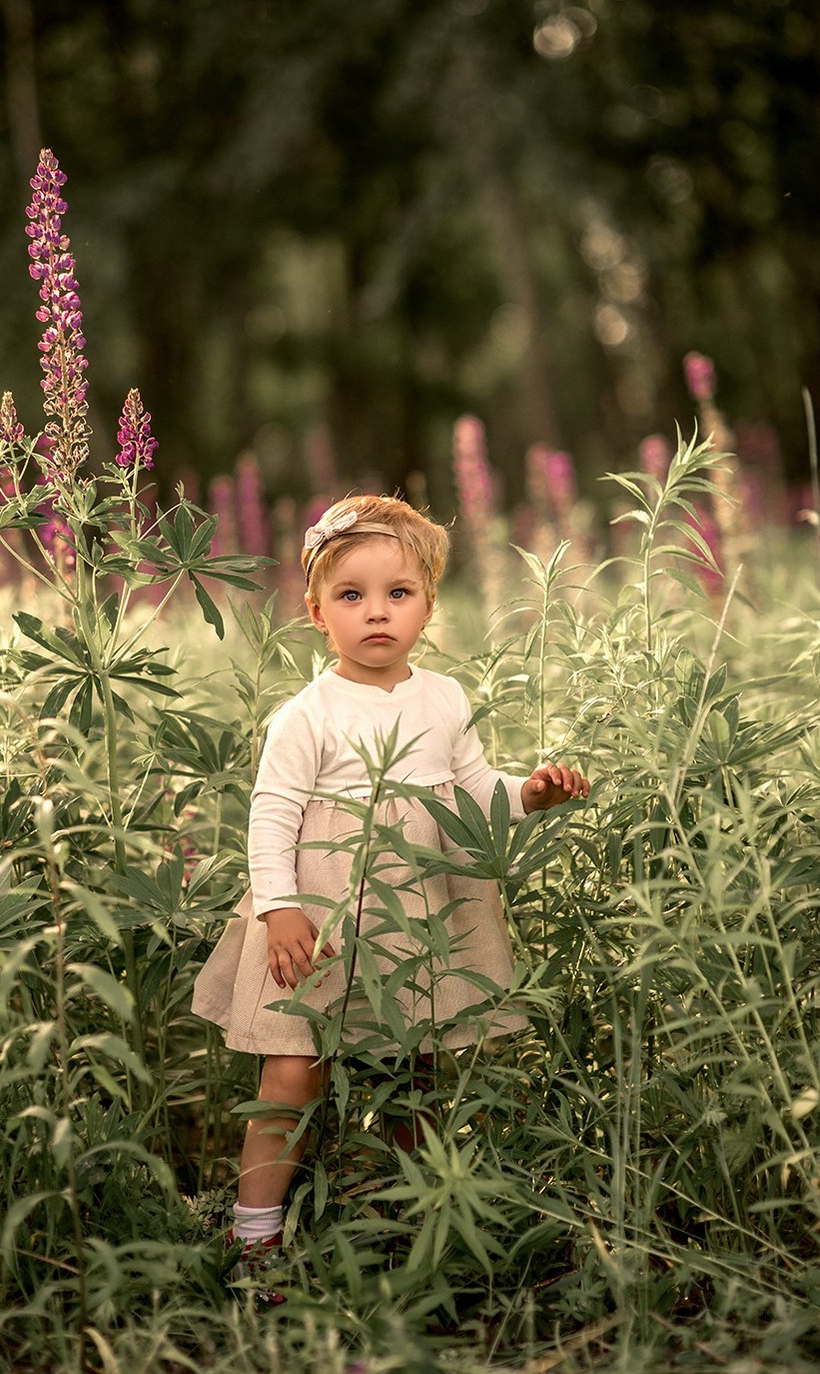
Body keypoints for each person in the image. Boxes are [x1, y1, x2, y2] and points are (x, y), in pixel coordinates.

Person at [191, 495, 589, 1298]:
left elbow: (471, 794)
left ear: (429, 604)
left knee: (418, 1066)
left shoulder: (443, 698)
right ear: (315, 612)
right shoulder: (306, 715)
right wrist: (279, 907)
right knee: (293, 1069)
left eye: (398, 593)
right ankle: (254, 1235)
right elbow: (271, 816)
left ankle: (420, 1219)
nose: (377, 611)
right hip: (322, 914)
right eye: (351, 595)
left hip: (422, 908)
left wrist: (530, 794)